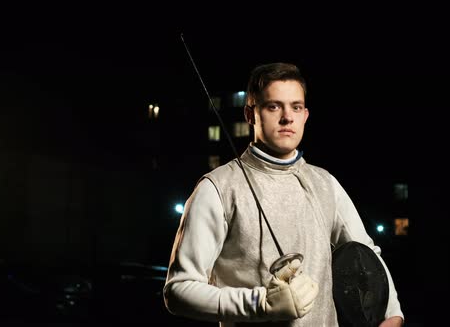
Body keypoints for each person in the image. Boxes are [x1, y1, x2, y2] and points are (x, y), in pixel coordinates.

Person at [163, 62, 404, 326]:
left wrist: (392, 313)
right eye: (273, 106)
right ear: (250, 114)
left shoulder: (325, 183)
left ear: (305, 115)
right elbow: (178, 290)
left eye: (296, 107)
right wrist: (261, 303)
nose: (287, 117)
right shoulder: (218, 187)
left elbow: (367, 254)